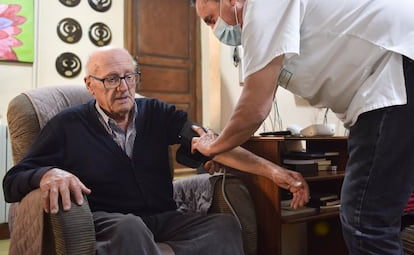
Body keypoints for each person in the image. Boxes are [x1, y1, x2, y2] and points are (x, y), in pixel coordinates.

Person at [190, 0, 414, 255]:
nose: (214, 30)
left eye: (211, 19)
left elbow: (255, 107)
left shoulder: (263, 3)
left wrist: (215, 146)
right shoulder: (281, 1)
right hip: (389, 82)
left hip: (395, 77)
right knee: (371, 214)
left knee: (364, 220)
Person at [3, 46, 309, 255]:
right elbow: (13, 180)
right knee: (131, 228)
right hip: (111, 221)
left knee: (224, 225)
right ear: (90, 84)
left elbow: (212, 144)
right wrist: (47, 174)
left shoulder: (155, 112)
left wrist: (275, 171)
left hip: (163, 218)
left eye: (129, 76)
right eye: (111, 78)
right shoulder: (67, 124)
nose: (123, 87)